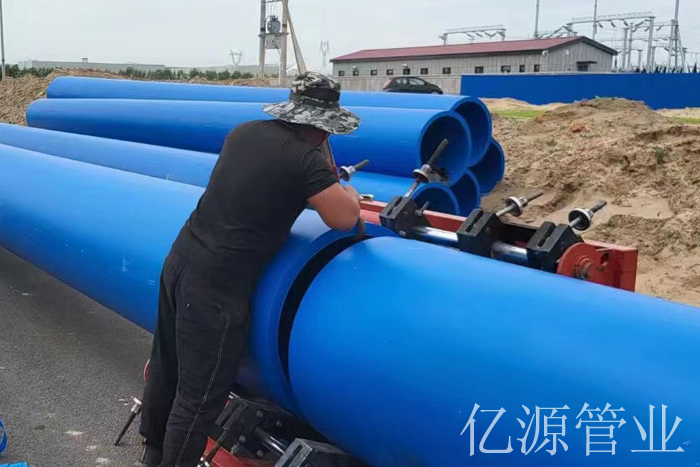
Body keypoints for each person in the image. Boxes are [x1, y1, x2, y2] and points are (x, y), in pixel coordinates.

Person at [137, 72, 362, 467]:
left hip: (181, 260)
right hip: (216, 287)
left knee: (167, 366)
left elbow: (264, 186)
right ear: (324, 125)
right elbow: (344, 218)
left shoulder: (244, 133)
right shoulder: (304, 159)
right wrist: (349, 191)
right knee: (199, 397)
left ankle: (151, 454)